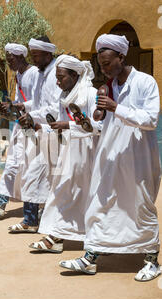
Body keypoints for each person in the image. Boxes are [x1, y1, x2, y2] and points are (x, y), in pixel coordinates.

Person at [59, 34, 162, 282]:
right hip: (109, 158)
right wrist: (88, 122)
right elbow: (103, 126)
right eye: (100, 65)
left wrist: (117, 108)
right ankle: (90, 258)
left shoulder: (146, 82)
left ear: (121, 57)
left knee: (140, 207)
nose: (103, 69)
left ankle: (152, 261)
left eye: (107, 63)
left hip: (138, 160)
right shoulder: (108, 87)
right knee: (99, 204)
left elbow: (151, 120)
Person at [28, 54, 102, 253]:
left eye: (62, 77)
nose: (58, 82)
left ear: (75, 75)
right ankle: (57, 236)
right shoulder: (64, 97)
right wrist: (40, 127)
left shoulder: (90, 93)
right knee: (64, 193)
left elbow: (98, 126)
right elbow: (59, 126)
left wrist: (67, 125)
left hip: (87, 153)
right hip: (69, 153)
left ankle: (60, 237)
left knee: (77, 195)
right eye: (57, 78)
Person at [8, 36, 62, 233]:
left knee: (52, 179)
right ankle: (32, 219)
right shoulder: (41, 73)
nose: (34, 60)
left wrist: (33, 115)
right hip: (38, 131)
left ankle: (41, 221)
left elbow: (55, 108)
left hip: (54, 133)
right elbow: (38, 102)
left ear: (48, 54)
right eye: (33, 55)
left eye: (37, 56)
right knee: (33, 175)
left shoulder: (57, 74)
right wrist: (24, 106)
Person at [0, 43, 38, 217]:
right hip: (21, 126)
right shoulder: (18, 75)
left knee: (33, 168)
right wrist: (7, 109)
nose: (8, 63)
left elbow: (39, 101)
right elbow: (19, 102)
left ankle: (39, 208)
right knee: (12, 163)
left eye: (10, 59)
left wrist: (17, 105)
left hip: (35, 126)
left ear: (20, 57)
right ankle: (0, 204)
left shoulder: (34, 73)